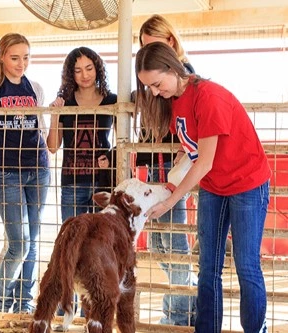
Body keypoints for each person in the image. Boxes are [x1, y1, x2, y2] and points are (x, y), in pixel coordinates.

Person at [136, 41, 270, 333]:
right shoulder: (174, 102)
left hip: (246, 182)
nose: (156, 92)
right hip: (213, 185)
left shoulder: (208, 97)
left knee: (246, 266)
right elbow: (189, 151)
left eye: (157, 84)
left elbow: (204, 161)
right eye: (150, 88)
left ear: (172, 68)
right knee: (208, 267)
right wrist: (170, 184)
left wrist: (171, 199)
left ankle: (256, 329)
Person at [0, 32, 50, 314]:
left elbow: (40, 126)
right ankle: (0, 299)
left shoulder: (36, 88)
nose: (21, 64)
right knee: (20, 242)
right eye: (15, 57)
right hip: (7, 173)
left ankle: (24, 302)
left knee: (34, 239)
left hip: (37, 169)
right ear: (2, 57)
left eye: (26, 58)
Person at [136, 14, 198, 326]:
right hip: (157, 169)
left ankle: (177, 317)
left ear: (171, 43)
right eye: (145, 47)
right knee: (160, 245)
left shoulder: (187, 77)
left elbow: (189, 129)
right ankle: (193, 300)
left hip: (176, 169)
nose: (150, 53)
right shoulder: (149, 83)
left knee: (173, 245)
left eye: (156, 45)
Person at [47, 46, 116, 318]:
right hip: (72, 182)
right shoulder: (65, 102)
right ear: (70, 74)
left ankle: (94, 312)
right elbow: (53, 146)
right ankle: (68, 307)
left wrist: (110, 160)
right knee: (71, 248)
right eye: (77, 70)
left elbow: (122, 143)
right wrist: (54, 114)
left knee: (98, 250)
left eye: (89, 68)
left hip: (102, 183)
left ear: (97, 69)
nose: (84, 75)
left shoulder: (112, 99)